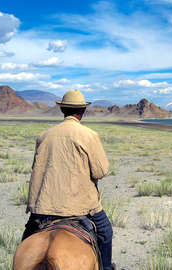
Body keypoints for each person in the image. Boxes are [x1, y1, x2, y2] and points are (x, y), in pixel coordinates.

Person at [22, 89, 114, 270]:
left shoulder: (44, 136)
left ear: (62, 110)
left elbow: (36, 167)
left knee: (28, 236)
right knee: (105, 232)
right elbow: (100, 171)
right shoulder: (89, 135)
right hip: (81, 207)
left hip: (44, 207)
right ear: (83, 111)